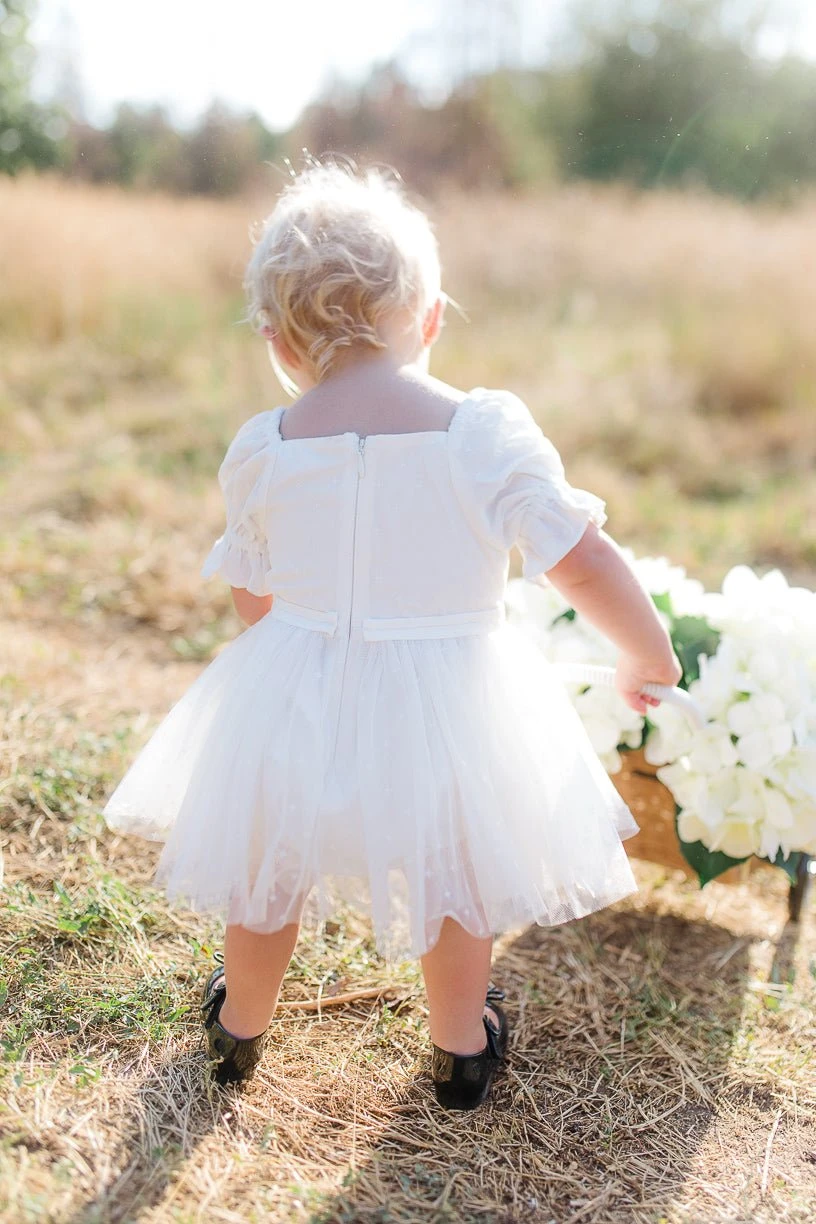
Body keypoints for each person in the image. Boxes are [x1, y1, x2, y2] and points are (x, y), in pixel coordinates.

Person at [103, 162, 681, 1110]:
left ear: (278, 339)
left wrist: (312, 636)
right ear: (430, 318)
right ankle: (460, 1045)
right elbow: (579, 558)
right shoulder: (481, 432)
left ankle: (240, 1022)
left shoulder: (265, 448)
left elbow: (253, 595)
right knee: (453, 865)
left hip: (294, 682)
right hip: (451, 699)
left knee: (268, 865)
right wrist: (645, 652)